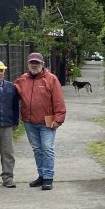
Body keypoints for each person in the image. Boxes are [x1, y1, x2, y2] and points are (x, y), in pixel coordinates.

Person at [14, 52, 66, 191]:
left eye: (37, 63)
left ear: (42, 64)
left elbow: (59, 100)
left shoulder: (51, 79)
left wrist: (58, 119)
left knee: (47, 149)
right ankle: (42, 175)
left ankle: (48, 178)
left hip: (47, 121)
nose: (34, 65)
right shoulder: (22, 80)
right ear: (28, 64)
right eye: (32, 62)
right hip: (29, 121)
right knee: (37, 149)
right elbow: (11, 95)